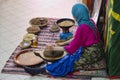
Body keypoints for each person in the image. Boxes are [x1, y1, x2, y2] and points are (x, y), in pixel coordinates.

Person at [43, 3, 105, 77]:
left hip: (93, 53)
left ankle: (47, 69)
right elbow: (77, 38)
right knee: (70, 44)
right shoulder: (90, 21)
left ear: (76, 16)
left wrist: (54, 48)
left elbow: (71, 48)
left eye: (73, 15)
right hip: (97, 48)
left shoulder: (82, 27)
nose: (73, 17)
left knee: (69, 63)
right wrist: (63, 44)